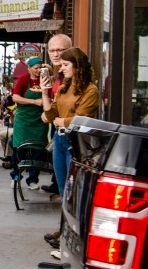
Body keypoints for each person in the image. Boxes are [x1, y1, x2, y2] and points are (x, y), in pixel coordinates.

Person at [41, 47, 100, 199]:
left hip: (76, 141)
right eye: (61, 65)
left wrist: (61, 121)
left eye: (65, 65)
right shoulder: (62, 88)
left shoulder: (90, 90)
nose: (61, 69)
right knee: (63, 189)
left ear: (77, 66)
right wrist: (44, 92)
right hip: (59, 139)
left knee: (74, 190)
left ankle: (76, 222)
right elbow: (50, 115)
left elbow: (82, 118)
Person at [38, 34, 73, 195]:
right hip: (59, 135)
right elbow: (52, 111)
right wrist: (45, 94)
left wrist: (56, 117)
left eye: (61, 50)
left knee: (70, 190)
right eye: (52, 50)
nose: (56, 54)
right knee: (63, 188)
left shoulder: (75, 79)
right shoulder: (59, 77)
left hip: (73, 137)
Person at [10, 57, 49, 189]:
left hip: (39, 119)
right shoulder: (23, 79)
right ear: (29, 69)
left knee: (38, 149)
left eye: (40, 67)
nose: (38, 70)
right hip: (24, 119)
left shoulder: (45, 78)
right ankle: (16, 175)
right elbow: (15, 97)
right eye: (36, 68)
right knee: (19, 148)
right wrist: (34, 102)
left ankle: (32, 179)